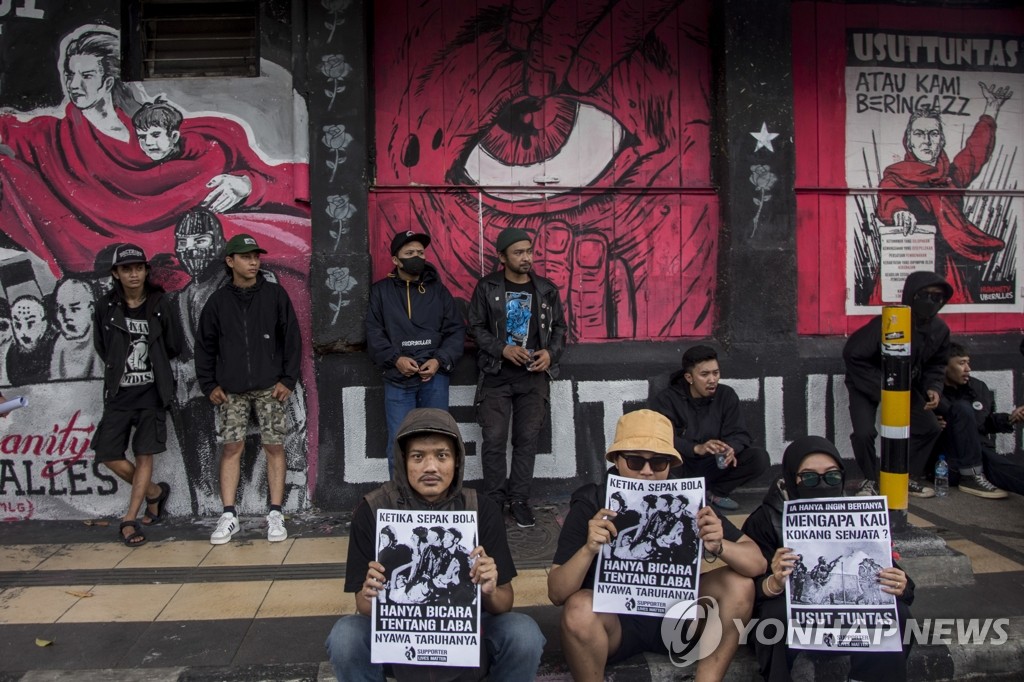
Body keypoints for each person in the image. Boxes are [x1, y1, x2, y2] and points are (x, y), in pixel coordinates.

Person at [325, 408, 546, 682]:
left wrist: (489, 589)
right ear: (403, 460)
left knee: (523, 632)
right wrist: (370, 594)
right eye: (418, 456)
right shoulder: (373, 510)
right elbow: (363, 607)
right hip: (398, 638)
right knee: (346, 635)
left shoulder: (481, 509)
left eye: (442, 455)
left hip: (466, 636)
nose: (431, 467)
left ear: (457, 461)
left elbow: (504, 603)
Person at [549, 409, 766, 682]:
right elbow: (557, 593)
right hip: (615, 623)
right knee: (578, 607)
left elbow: (757, 563)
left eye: (659, 463)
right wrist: (588, 549)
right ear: (617, 459)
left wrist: (719, 544)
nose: (647, 472)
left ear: (670, 465)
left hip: (677, 616)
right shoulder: (592, 500)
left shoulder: (686, 499)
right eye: (635, 461)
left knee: (740, 583)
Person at [741, 436, 914, 682]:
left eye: (831, 476)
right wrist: (773, 582)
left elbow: (903, 586)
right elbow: (745, 593)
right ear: (792, 478)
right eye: (809, 477)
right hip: (793, 620)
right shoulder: (765, 519)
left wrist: (900, 584)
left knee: (899, 615)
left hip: (846, 619)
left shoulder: (857, 517)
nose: (822, 484)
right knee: (774, 616)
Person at [196, 233, 301, 545]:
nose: (254, 261)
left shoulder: (275, 296)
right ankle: (229, 514)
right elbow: (205, 346)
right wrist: (209, 384)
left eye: (256, 256)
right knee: (231, 448)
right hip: (231, 390)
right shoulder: (217, 302)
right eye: (245, 256)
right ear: (230, 262)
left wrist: (287, 380)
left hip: (270, 387)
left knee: (274, 446)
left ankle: (275, 513)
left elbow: (292, 339)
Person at [876, 83, 1013, 304]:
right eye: (919, 133)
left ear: (942, 140)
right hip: (908, 264)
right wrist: (899, 213)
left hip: (948, 267)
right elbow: (888, 197)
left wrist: (992, 107)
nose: (927, 140)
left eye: (933, 133)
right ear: (909, 140)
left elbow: (975, 151)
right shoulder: (897, 174)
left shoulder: (952, 176)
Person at [468, 227, 567, 528]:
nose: (527, 258)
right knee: (494, 440)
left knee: (526, 440)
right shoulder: (487, 287)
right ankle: (495, 501)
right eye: (518, 253)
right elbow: (475, 327)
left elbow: (560, 328)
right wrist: (502, 349)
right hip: (497, 375)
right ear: (502, 257)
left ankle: (520, 500)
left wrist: (551, 353)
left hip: (533, 377)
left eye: (529, 251)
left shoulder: (546, 289)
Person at [92, 244, 182, 546]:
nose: (134, 274)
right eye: (127, 269)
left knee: (144, 455)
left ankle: (129, 519)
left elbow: (173, 344)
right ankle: (155, 493)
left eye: (139, 268)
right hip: (119, 394)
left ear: (146, 271)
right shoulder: (106, 307)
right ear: (116, 273)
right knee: (108, 455)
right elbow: (103, 348)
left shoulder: (159, 303)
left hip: (152, 394)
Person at [843, 270, 952, 497]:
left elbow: (937, 364)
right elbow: (853, 354)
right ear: (912, 295)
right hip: (866, 384)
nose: (931, 302)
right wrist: (882, 386)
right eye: (925, 295)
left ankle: (905, 476)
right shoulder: (887, 322)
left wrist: (934, 388)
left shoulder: (939, 330)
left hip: (904, 387)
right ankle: (871, 479)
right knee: (864, 433)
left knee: (930, 427)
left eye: (937, 297)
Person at [366, 230, 465, 475]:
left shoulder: (439, 292)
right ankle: (402, 504)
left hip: (435, 379)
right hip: (398, 380)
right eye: (409, 253)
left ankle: (435, 499)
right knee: (399, 444)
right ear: (396, 260)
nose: (417, 257)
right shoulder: (380, 292)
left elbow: (455, 331)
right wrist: (395, 359)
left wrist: (438, 360)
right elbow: (374, 333)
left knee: (438, 442)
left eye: (420, 253)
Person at [650, 344, 770, 511]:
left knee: (758, 458)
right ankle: (683, 498)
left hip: (714, 464)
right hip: (682, 466)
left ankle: (716, 493)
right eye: (704, 374)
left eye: (716, 373)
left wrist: (730, 448)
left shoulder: (726, 395)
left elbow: (740, 433)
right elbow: (659, 438)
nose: (712, 380)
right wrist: (696, 448)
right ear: (689, 377)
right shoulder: (667, 399)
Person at [937, 342, 1024, 497]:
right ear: (945, 366)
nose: (968, 369)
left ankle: (975, 475)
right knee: (962, 408)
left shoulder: (978, 387)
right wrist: (932, 425)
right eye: (961, 363)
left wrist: (1010, 419)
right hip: (951, 459)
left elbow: (985, 423)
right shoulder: (933, 393)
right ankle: (970, 476)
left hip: (980, 451)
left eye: (968, 362)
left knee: (1005, 469)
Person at [51, 278, 103, 380]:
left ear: (91, 309)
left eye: (74, 309)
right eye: (61, 310)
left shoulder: (101, 339)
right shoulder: (58, 342)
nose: (67, 316)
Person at [6, 295, 57, 386]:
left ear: (44, 324)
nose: (23, 332)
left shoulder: (56, 348)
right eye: (17, 325)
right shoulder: (11, 352)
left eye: (31, 323)